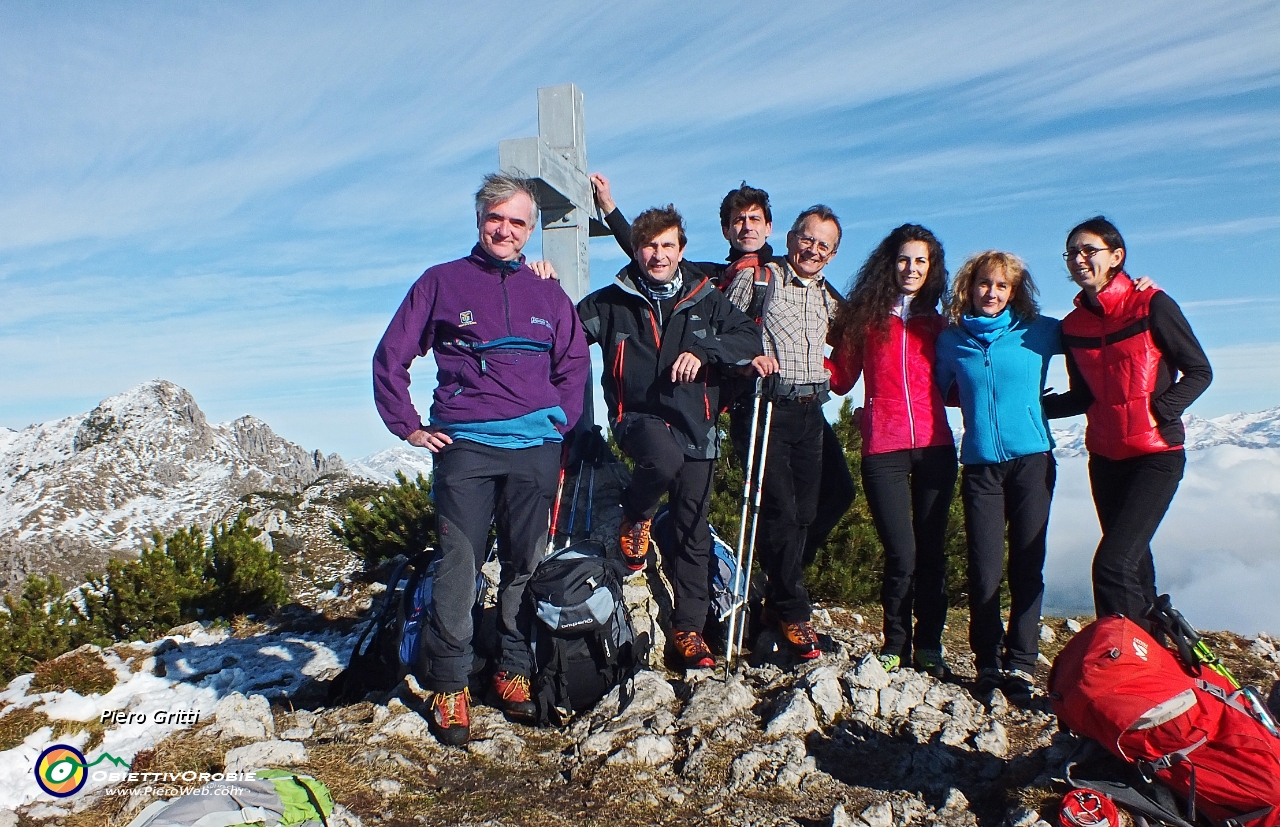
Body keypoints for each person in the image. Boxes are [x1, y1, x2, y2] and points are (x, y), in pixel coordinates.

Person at [372, 173, 590, 745]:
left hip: (535, 450)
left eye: (518, 222)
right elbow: (391, 355)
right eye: (497, 218)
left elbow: (573, 363)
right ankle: (449, 682)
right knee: (458, 565)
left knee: (525, 562)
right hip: (465, 445)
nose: (506, 230)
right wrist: (410, 426)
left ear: (531, 230)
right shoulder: (441, 282)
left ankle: (513, 669)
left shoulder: (548, 292)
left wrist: (559, 424)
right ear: (479, 218)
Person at [590, 176, 855, 566]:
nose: (746, 226)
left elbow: (849, 324)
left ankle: (784, 578)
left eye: (755, 218)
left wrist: (834, 373)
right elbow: (649, 253)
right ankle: (775, 584)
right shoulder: (710, 277)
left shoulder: (801, 278)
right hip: (744, 401)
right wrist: (610, 209)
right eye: (737, 219)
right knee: (776, 506)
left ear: (770, 227)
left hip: (799, 401)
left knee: (831, 496)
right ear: (725, 229)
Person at [577, 205, 762, 669]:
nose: (658, 255)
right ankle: (635, 516)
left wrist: (704, 350)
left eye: (667, 246)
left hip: (697, 423)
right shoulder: (611, 301)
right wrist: (540, 288)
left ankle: (689, 631)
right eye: (649, 246)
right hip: (639, 417)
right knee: (662, 460)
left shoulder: (705, 296)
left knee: (692, 530)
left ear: (681, 250)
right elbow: (565, 332)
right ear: (636, 250)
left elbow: (748, 339)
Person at [1044, 216, 1211, 634]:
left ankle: (1119, 661)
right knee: (1134, 565)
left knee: (1112, 563)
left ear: (1117, 257)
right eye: (1072, 253)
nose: (1079, 259)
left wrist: (1160, 412)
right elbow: (1083, 396)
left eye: (1089, 250)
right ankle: (1155, 654)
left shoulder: (1152, 304)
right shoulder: (1072, 326)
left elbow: (1199, 371)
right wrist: (1034, 408)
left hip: (1156, 456)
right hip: (1104, 457)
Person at [828, 224, 956, 677]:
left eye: (921, 260)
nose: (912, 268)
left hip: (937, 447)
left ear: (932, 267)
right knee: (901, 553)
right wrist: (788, 353)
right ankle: (895, 643)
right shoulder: (865, 320)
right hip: (883, 446)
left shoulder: (941, 324)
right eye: (904, 259)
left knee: (932, 552)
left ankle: (931, 645)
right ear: (890, 263)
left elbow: (959, 387)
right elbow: (839, 377)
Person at [933, 251, 1061, 702]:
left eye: (1002, 286)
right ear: (970, 287)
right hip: (981, 465)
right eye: (985, 284)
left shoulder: (1039, 330)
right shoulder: (952, 341)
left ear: (1015, 291)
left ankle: (1022, 663)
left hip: (1033, 461)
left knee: (1028, 565)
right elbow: (943, 388)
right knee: (984, 569)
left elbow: (1095, 335)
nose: (992, 293)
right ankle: (987, 662)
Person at [724, 205, 846, 661]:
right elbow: (721, 330)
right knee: (779, 508)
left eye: (823, 245)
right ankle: (793, 610)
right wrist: (745, 360)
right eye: (807, 238)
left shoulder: (827, 294)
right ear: (792, 236)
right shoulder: (760, 278)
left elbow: (855, 327)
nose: (812, 249)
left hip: (810, 409)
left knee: (809, 510)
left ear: (832, 255)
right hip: (763, 405)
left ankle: (777, 595)